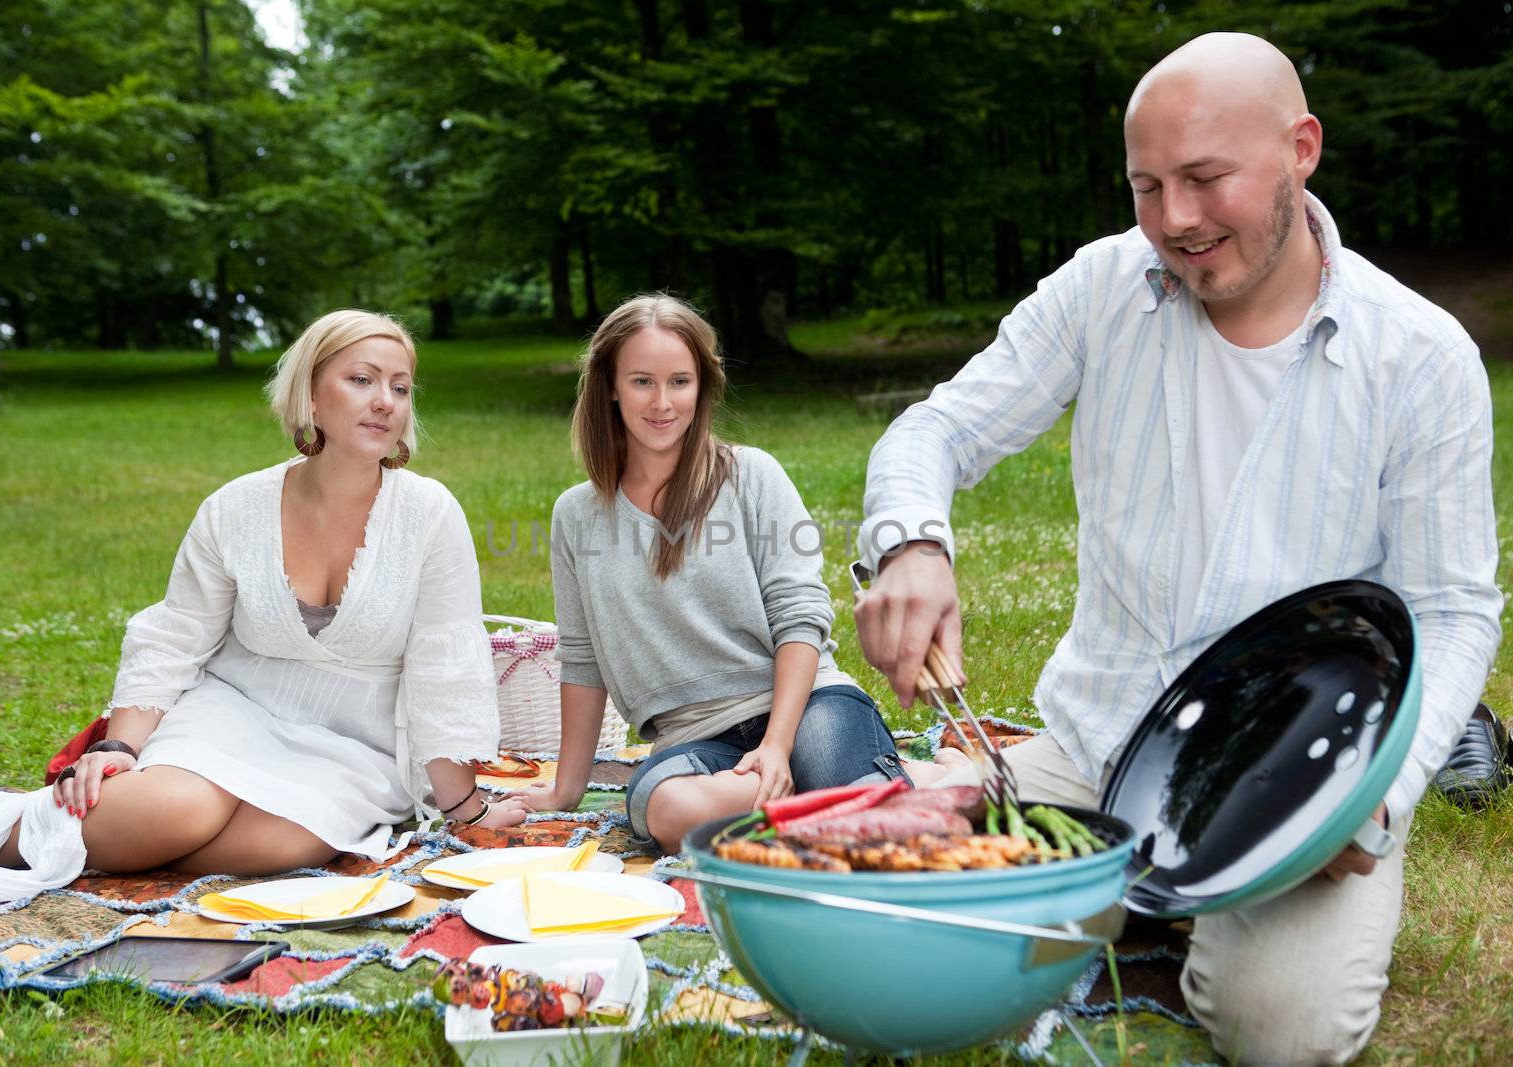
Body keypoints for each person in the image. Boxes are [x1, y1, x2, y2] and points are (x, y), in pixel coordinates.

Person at [852, 33, 1500, 1067]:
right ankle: (1105, 874)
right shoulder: (1101, 287)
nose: (1174, 222)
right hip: (1096, 740)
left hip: (1286, 778)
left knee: (1280, 1031)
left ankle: (1185, 906)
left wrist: (1374, 796)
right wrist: (912, 546)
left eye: (1204, 179)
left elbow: (1455, 604)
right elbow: (936, 430)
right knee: (903, 942)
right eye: (1146, 186)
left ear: (1301, 149)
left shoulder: (1418, 356)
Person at [0, 310, 528, 908]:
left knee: (281, 846)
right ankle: (2, 839)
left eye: (400, 387)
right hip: (235, 709)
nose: (385, 401)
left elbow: (443, 663)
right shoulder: (236, 507)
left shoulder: (429, 512)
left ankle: (119, 847)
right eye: (362, 379)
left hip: (356, 741)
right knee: (176, 809)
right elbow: (176, 635)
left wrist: (461, 808)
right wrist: (119, 750)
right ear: (311, 396)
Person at [509, 295, 961, 853]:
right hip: (695, 741)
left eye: (680, 381)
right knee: (669, 811)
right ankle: (872, 796)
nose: (663, 402)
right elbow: (582, 657)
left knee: (886, 837)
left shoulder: (750, 476)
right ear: (610, 385)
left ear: (701, 387)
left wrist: (775, 747)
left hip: (804, 707)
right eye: (642, 382)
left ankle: (911, 787)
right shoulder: (576, 516)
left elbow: (801, 618)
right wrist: (566, 790)